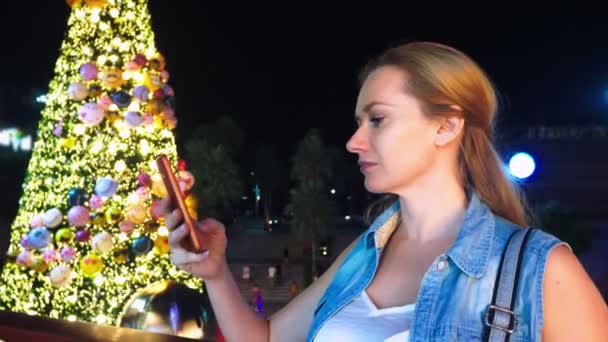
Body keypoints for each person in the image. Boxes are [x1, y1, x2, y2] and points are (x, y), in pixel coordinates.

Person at [167, 41, 608, 341]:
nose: (354, 142)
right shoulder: (365, 252)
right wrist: (216, 272)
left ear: (446, 125)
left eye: (377, 120)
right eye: (359, 122)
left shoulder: (541, 267)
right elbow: (264, 338)